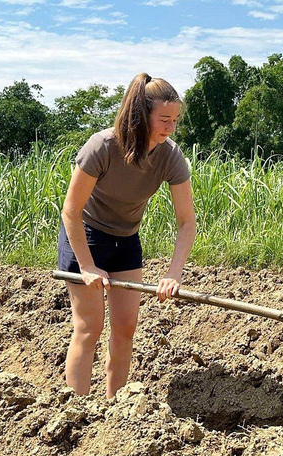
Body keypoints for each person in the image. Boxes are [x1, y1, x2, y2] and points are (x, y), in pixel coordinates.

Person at [57, 73, 196, 398]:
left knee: (125, 328)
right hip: (85, 235)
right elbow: (71, 211)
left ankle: (114, 410)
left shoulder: (170, 156)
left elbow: (187, 222)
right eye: (164, 119)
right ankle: (74, 413)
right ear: (141, 115)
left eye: (175, 120)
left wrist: (173, 275)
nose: (170, 127)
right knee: (90, 327)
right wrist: (88, 266)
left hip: (126, 240)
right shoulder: (103, 146)